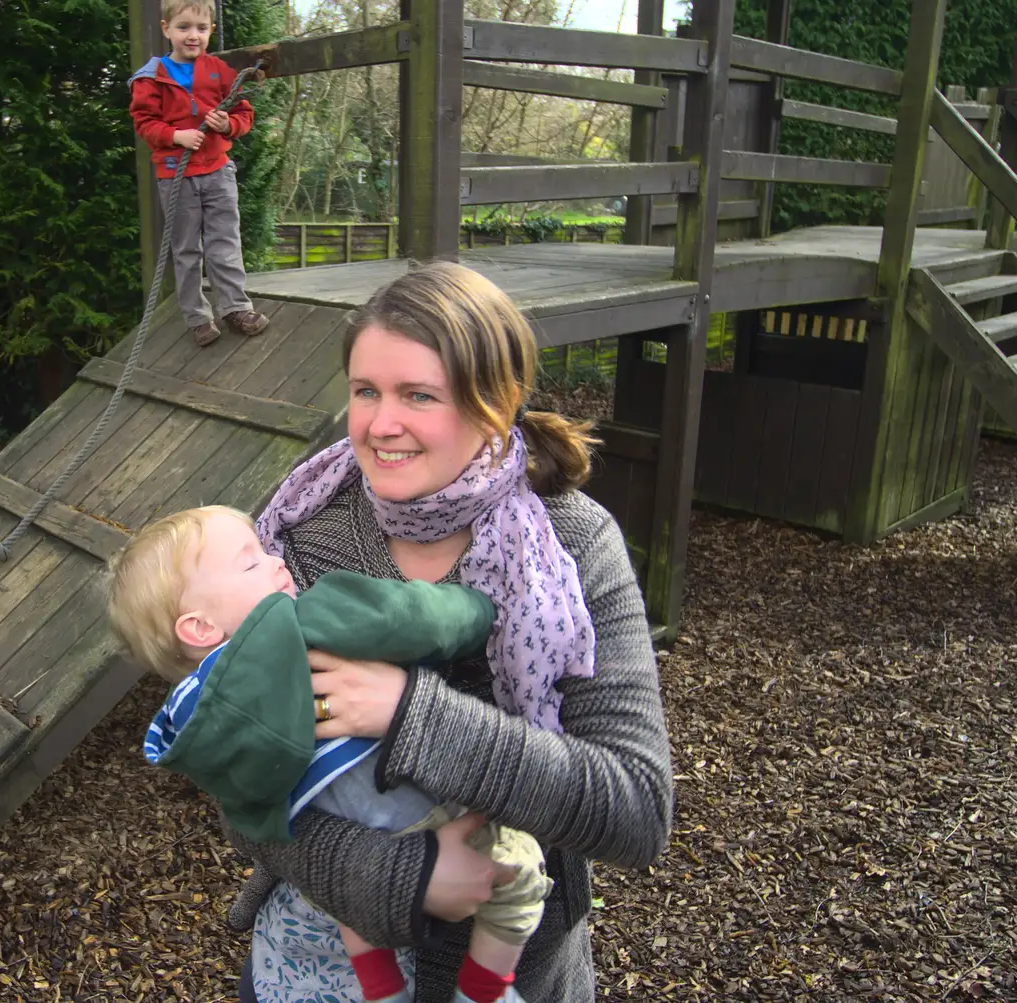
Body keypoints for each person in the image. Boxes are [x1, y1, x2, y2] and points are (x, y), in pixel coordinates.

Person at [224, 261, 676, 1003]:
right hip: (317, 962)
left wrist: (410, 713)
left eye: (418, 395)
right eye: (365, 390)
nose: (379, 423)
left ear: (493, 405)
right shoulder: (306, 529)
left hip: (516, 968)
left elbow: (633, 806)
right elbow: (236, 767)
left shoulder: (571, 545)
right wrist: (403, 877)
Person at [106, 504, 555, 1003]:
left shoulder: (188, 716)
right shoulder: (296, 624)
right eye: (251, 562)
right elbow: (406, 619)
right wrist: (478, 610)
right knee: (520, 867)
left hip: (333, 841)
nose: (276, 561)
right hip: (407, 805)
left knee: (343, 892)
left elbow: (247, 815)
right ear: (199, 628)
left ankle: (380, 985)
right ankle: (486, 991)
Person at [128, 0, 270, 347]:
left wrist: (228, 125)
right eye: (184, 27)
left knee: (225, 241)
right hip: (177, 175)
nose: (193, 36)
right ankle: (197, 316)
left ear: (211, 32)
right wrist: (176, 136)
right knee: (187, 248)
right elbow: (144, 123)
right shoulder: (151, 77)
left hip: (218, 171)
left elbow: (243, 114)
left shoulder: (219, 71)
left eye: (201, 29)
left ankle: (235, 306)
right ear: (166, 29)